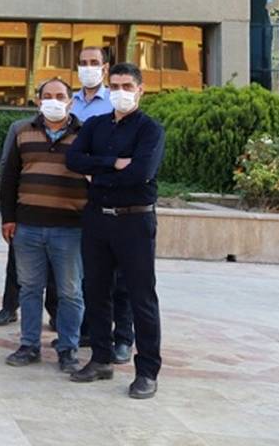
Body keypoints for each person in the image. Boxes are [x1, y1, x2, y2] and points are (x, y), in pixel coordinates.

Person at [67, 62, 166, 400]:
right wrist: (111, 163)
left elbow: (141, 172)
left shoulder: (150, 130)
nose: (121, 92)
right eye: (116, 86)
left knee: (141, 296)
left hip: (134, 221)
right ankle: (100, 358)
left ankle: (147, 371)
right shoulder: (95, 125)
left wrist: (97, 174)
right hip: (97, 219)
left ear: (141, 90)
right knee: (95, 290)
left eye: (128, 86)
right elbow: (74, 159)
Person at [0, 78, 88, 373]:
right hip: (28, 226)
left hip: (70, 228)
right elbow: (10, 177)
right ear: (38, 101)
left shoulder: (86, 134)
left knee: (70, 292)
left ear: (71, 101)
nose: (53, 101)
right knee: (30, 288)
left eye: (60, 96)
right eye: (47, 96)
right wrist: (8, 217)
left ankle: (68, 348)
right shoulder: (23, 132)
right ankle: (29, 345)